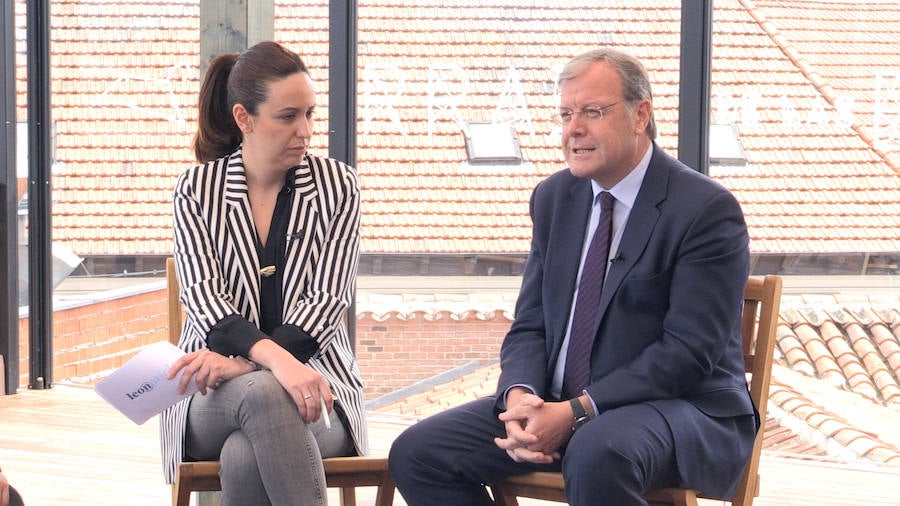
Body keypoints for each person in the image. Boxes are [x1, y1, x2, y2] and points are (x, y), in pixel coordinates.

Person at [389, 47, 757, 506]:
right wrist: (520, 397)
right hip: (563, 406)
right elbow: (531, 323)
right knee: (419, 453)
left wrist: (578, 411)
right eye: (565, 114)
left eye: (592, 112)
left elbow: (687, 353)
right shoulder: (554, 197)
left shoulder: (704, 209)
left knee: (595, 450)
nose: (573, 129)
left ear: (640, 115)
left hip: (682, 409)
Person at [159, 40, 367, 506]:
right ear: (243, 118)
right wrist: (272, 363)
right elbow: (205, 299)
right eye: (288, 116)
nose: (306, 131)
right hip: (209, 391)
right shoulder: (196, 190)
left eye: (311, 114)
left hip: (319, 388)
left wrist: (247, 361)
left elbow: (326, 301)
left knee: (243, 456)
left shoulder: (339, 187)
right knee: (266, 393)